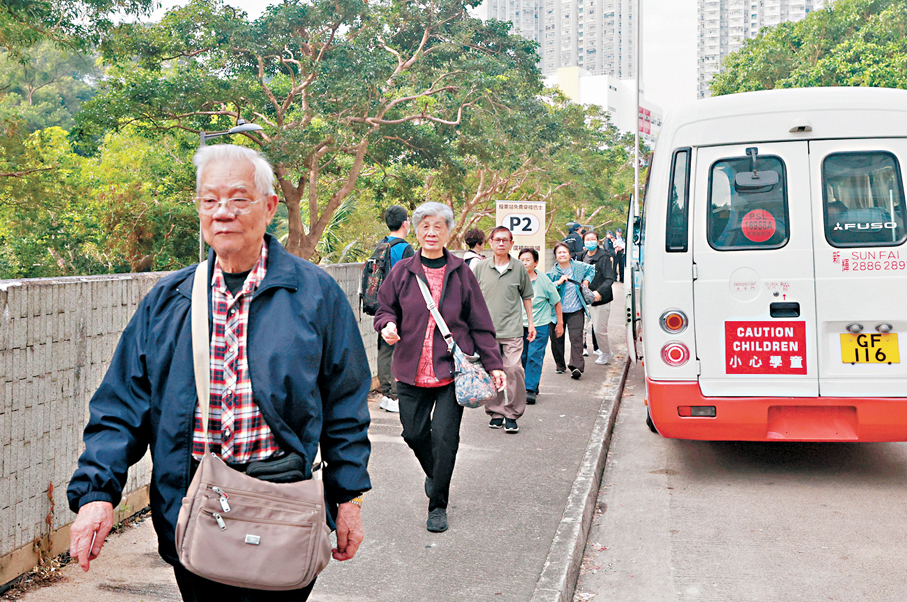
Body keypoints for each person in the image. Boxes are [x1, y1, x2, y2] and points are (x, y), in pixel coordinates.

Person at [67, 145, 372, 602]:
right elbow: (122, 406)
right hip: (194, 507)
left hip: (281, 505)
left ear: (269, 207)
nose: (223, 212)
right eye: (210, 200)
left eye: (239, 198)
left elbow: (345, 404)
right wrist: (97, 494)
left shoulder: (314, 295)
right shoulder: (169, 300)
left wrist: (349, 498)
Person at [374, 202, 504, 533]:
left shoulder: (461, 272)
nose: (431, 232)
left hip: (451, 372)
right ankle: (436, 475)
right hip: (410, 370)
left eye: (438, 227)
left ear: (448, 232)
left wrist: (494, 364)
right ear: (416, 231)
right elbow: (385, 308)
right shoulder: (402, 271)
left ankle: (438, 505)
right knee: (413, 433)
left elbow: (480, 323)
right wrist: (387, 325)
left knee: (445, 439)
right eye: (425, 226)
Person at [473, 226, 536, 434]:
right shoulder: (480, 267)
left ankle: (512, 414)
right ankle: (496, 412)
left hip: (513, 330)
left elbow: (527, 297)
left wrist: (531, 323)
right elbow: (471, 298)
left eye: (505, 240)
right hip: (486, 332)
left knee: (513, 369)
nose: (501, 243)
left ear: (511, 243)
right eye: (497, 240)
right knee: (492, 371)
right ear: (490, 242)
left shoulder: (519, 268)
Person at [376, 206, 415, 413]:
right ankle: (395, 395)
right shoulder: (405, 249)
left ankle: (385, 394)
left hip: (381, 305)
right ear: (404, 223)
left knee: (385, 348)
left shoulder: (381, 245)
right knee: (398, 348)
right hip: (399, 306)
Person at [518, 248, 563, 405]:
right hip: (519, 325)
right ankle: (530, 383)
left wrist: (560, 323)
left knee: (534, 355)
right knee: (522, 356)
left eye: (528, 260)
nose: (524, 263)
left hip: (540, 325)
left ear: (536, 263)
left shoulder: (544, 281)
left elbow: (556, 301)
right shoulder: (516, 279)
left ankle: (530, 389)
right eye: (521, 260)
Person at [546, 242, 595, 379]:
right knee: (556, 339)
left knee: (576, 338)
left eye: (564, 252)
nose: (562, 254)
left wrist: (586, 281)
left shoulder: (579, 266)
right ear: (555, 256)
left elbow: (591, 270)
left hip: (576, 309)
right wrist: (558, 282)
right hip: (556, 312)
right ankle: (560, 365)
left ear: (569, 254)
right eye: (559, 253)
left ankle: (576, 367)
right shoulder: (551, 273)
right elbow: (547, 289)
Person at [580, 230, 616, 365]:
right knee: (581, 327)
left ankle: (606, 352)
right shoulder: (582, 256)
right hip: (584, 298)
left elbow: (609, 278)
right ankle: (582, 349)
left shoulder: (604, 257)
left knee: (599, 330)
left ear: (598, 241)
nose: (590, 242)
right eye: (587, 239)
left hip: (600, 300)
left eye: (593, 239)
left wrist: (599, 292)